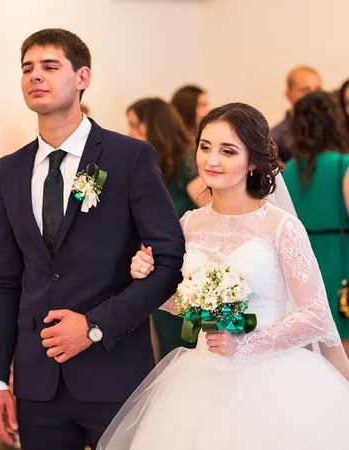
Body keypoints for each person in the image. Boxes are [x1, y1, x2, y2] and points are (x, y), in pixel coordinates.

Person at [98, 102, 349, 450]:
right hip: (200, 378)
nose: (211, 161)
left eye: (228, 151)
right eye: (204, 147)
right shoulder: (186, 224)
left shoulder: (281, 227)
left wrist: (245, 344)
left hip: (273, 381)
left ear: (255, 161)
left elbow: (315, 314)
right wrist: (144, 275)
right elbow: (175, 303)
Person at [0, 28, 185, 450]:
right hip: (38, 383)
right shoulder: (10, 170)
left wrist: (94, 326)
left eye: (50, 66)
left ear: (82, 77)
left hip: (114, 373)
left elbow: (169, 262)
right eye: (27, 69)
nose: (35, 76)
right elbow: (6, 279)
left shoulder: (128, 157)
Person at [126, 97, 210, 358]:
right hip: (162, 272)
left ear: (153, 127)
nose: (128, 133)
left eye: (133, 125)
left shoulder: (186, 162)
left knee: (193, 347)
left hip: (192, 272)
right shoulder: (152, 165)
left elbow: (210, 210)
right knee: (171, 349)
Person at [283, 90, 349, 355]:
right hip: (341, 260)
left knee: (316, 352)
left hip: (301, 264)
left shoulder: (285, 171)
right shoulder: (342, 164)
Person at [271, 66, 322, 162]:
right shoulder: (276, 137)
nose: (314, 96)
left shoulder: (334, 129)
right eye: (305, 90)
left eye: (318, 90)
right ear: (288, 94)